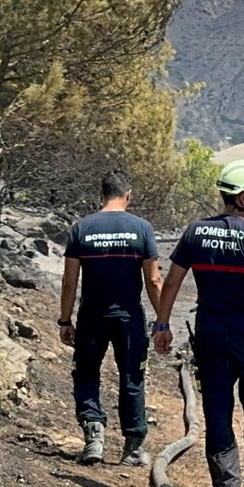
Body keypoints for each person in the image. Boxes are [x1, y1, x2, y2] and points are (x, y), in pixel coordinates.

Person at [153, 159, 244, 487]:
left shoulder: (195, 232)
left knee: (217, 407)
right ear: (242, 198)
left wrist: (162, 324)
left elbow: (172, 281)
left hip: (211, 333)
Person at [59, 171, 161, 467]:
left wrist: (65, 320)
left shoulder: (81, 228)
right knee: (132, 377)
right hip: (129, 318)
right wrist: (163, 319)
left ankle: (93, 437)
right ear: (128, 195)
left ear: (100, 195)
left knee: (86, 374)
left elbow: (69, 282)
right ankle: (133, 448)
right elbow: (153, 281)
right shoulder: (142, 228)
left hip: (92, 317)